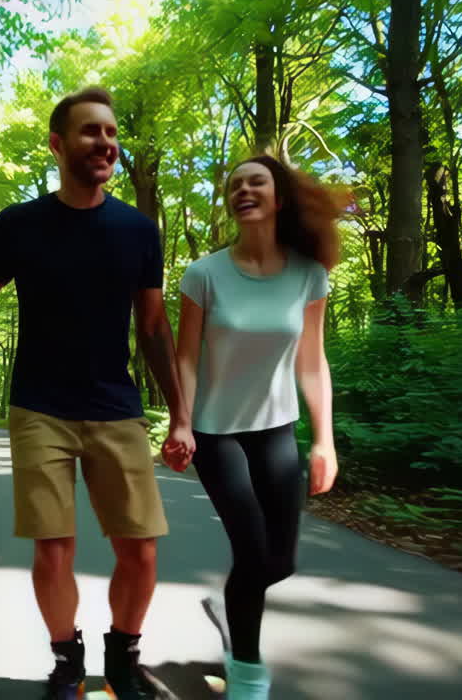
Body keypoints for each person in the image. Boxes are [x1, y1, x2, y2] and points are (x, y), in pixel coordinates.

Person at [0, 86, 195, 700]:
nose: (105, 143)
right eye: (90, 132)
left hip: (117, 409)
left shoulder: (137, 229)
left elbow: (154, 327)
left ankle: (122, 660)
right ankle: (67, 662)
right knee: (54, 550)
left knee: (142, 554)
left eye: (111, 133)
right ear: (57, 143)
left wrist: (181, 416)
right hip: (40, 407)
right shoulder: (20, 225)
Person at [174, 155, 345, 700]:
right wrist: (181, 422)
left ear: (279, 196)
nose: (243, 189)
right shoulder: (204, 274)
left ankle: (229, 606)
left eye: (256, 181)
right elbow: (186, 360)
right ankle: (246, 672)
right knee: (252, 554)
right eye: (234, 184)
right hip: (216, 432)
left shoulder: (308, 275)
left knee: (281, 562)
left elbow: (312, 362)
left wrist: (324, 440)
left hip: (276, 430)